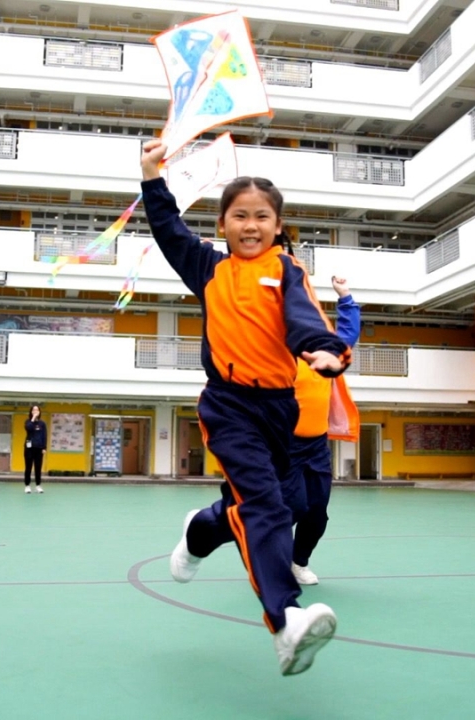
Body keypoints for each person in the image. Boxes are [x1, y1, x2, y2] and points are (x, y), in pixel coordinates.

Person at [141, 138, 351, 676]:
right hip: (228, 405)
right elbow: (168, 229)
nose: (250, 225)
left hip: (279, 409)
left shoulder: (287, 270)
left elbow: (304, 317)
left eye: (262, 216)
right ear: (223, 224)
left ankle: (200, 530)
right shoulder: (208, 269)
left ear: (278, 226)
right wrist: (152, 177)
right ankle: (285, 620)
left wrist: (325, 349)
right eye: (240, 215)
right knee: (266, 505)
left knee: (255, 503)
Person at [288, 276, 361, 587]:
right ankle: (270, 556)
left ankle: (298, 562)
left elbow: (347, 334)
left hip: (317, 445)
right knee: (292, 506)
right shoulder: (282, 355)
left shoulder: (327, 357)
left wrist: (345, 297)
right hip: (284, 445)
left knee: (317, 513)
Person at [23, 405, 47, 494]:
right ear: (31, 412)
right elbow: (28, 428)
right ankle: (27, 485)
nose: (36, 411)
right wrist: (33, 418)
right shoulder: (28, 422)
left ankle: (38, 485)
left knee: (38, 468)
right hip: (29, 448)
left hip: (39, 448)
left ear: (39, 412)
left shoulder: (42, 424)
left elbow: (44, 436)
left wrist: (44, 447)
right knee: (28, 467)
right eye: (34, 410)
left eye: (37, 410)